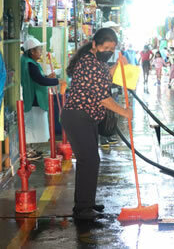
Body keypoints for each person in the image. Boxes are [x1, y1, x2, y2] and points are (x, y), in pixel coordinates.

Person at [61, 28, 133, 221]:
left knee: (92, 160)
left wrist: (118, 66)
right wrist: (124, 111)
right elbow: (104, 98)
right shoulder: (90, 64)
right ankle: (83, 208)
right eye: (106, 47)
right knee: (89, 160)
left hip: (87, 118)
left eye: (112, 48)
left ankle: (87, 202)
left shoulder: (96, 62)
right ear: (95, 45)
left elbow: (105, 78)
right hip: (78, 117)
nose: (109, 51)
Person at [20, 37, 60, 160]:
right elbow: (39, 80)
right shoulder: (30, 64)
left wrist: (48, 77)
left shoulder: (28, 61)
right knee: (32, 126)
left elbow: (38, 78)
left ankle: (30, 149)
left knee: (33, 125)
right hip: (33, 98)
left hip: (33, 97)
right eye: (39, 49)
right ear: (32, 51)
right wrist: (57, 80)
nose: (41, 51)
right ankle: (27, 151)